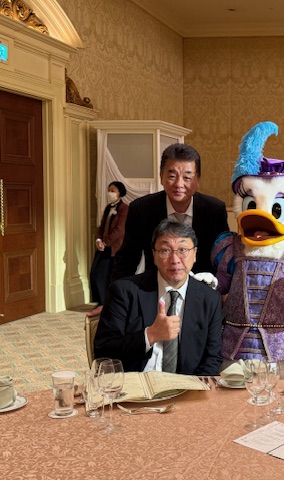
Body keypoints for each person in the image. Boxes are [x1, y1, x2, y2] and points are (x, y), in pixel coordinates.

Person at [95, 219, 223, 375]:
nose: (175, 260)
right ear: (154, 255)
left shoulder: (210, 299)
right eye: (165, 250)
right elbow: (103, 350)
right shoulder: (124, 291)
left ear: (195, 254)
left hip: (186, 385)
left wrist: (194, 389)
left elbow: (212, 358)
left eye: (182, 250)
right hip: (137, 383)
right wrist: (151, 335)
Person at [112, 143, 229, 281]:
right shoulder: (141, 209)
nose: (179, 184)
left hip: (202, 288)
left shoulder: (214, 210)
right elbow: (127, 258)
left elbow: (223, 259)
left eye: (187, 178)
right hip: (156, 287)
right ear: (161, 176)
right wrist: (116, 293)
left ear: (198, 180)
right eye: (172, 176)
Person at [89, 181, 129, 306]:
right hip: (103, 247)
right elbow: (102, 226)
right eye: (109, 190)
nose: (109, 193)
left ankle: (107, 303)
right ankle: (101, 302)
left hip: (114, 248)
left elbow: (120, 230)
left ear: (119, 193)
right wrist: (98, 239)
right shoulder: (108, 208)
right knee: (95, 275)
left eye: (113, 190)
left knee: (107, 277)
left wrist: (106, 243)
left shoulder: (124, 208)